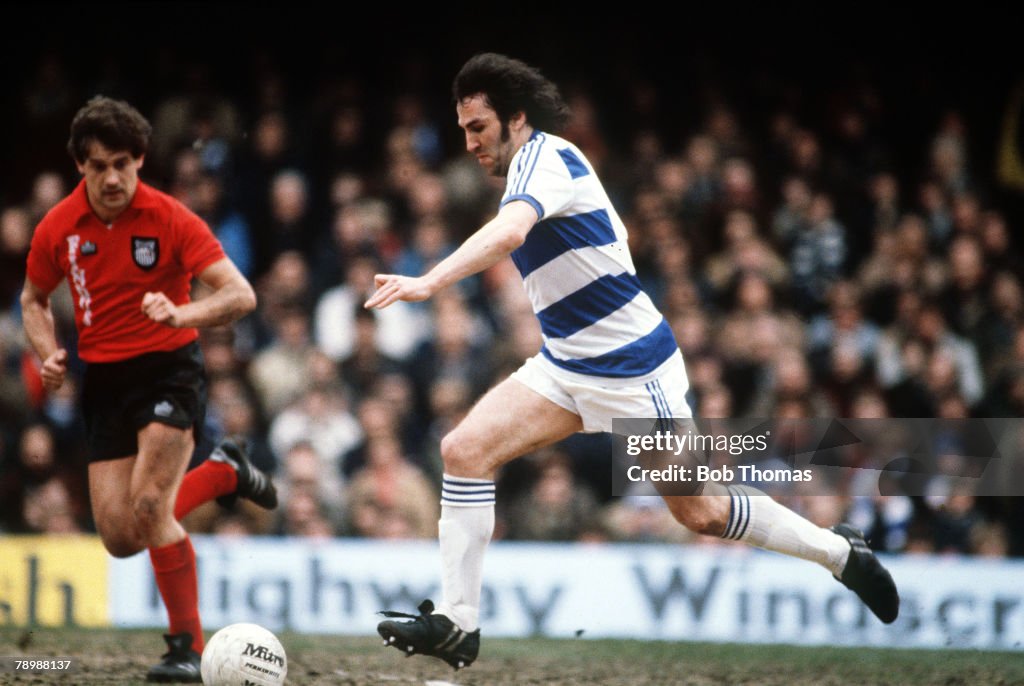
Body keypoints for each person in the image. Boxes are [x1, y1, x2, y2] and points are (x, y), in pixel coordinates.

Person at [368, 54, 899, 670]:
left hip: (632, 372)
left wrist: (429, 281)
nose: (470, 143)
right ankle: (459, 626)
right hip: (566, 364)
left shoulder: (548, 158)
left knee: (700, 508)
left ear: (516, 119)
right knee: (463, 451)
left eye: (479, 127)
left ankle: (841, 554)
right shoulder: (531, 170)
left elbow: (512, 233)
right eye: (463, 130)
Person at [20, 96, 278, 683]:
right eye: (97, 166)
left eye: (122, 164)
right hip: (104, 381)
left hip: (169, 369)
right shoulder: (58, 227)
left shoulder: (171, 219)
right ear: (79, 167)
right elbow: (33, 300)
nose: (111, 178)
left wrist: (181, 314)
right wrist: (46, 351)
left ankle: (186, 648)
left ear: (139, 160)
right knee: (118, 540)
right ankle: (223, 473)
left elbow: (241, 295)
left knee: (148, 507)